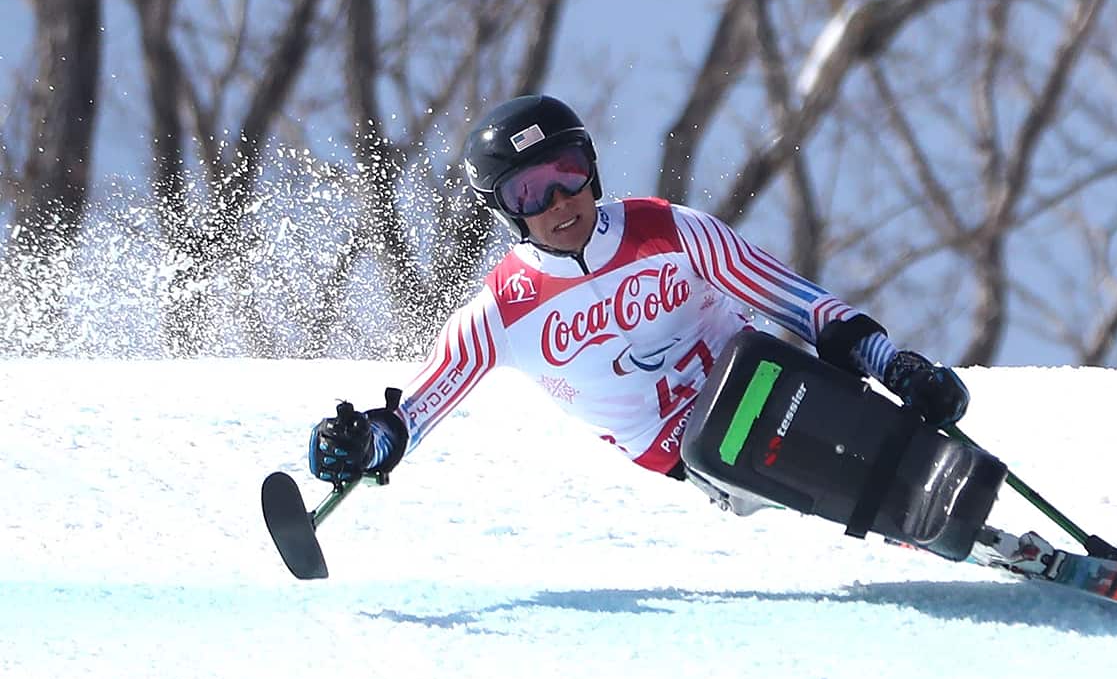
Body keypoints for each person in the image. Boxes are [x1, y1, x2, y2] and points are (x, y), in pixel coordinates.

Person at [308, 94, 972, 519]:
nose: (558, 202)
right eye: (530, 192)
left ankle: (961, 492)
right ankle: (917, 515)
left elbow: (800, 304)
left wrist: (897, 365)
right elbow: (416, 412)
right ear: (505, 211)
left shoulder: (669, 229)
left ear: (591, 169)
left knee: (824, 403)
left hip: (766, 380)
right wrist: (366, 443)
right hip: (699, 451)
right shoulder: (502, 311)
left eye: (566, 173)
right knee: (770, 455)